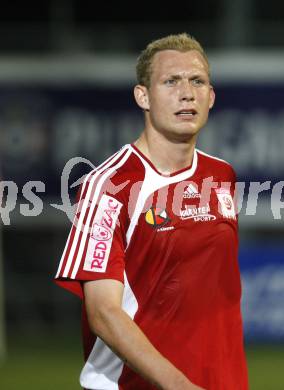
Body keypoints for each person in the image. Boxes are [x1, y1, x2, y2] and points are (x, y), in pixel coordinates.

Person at [55, 33, 249, 390]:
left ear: (211, 96)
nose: (186, 92)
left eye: (197, 81)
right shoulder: (108, 186)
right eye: (170, 81)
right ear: (142, 96)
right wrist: (178, 385)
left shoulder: (222, 176)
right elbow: (103, 313)